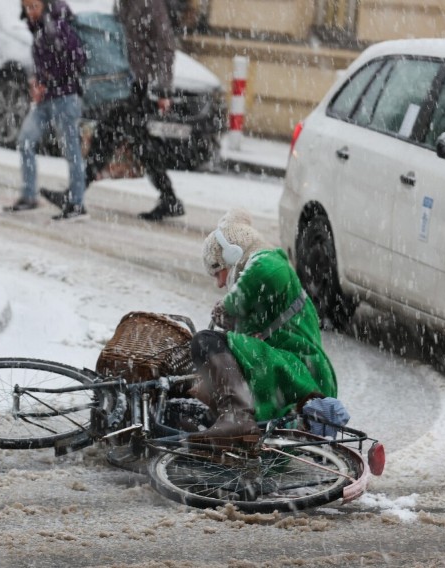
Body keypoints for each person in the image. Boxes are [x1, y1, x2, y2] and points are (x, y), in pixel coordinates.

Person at [184, 209, 338, 447]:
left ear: (232, 253)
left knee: (206, 341)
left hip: (302, 370)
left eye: (218, 270)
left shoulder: (268, 262)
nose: (220, 283)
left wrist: (229, 305)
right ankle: (236, 431)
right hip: (289, 371)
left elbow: (266, 273)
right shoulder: (258, 289)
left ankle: (237, 418)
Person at [41, 0, 185, 222]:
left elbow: (166, 46)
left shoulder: (151, 4)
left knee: (111, 137)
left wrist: (164, 90)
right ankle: (169, 198)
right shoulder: (124, 4)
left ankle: (74, 195)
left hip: (139, 83)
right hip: (125, 80)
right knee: (132, 140)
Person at [6, 0, 88, 221]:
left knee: (72, 151)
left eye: (34, 6)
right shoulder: (40, 29)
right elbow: (44, 62)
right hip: (46, 99)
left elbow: (77, 59)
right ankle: (29, 195)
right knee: (25, 141)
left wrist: (48, 79)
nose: (30, 11)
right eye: (27, 7)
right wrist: (38, 80)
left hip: (65, 98)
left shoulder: (57, 27)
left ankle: (77, 203)